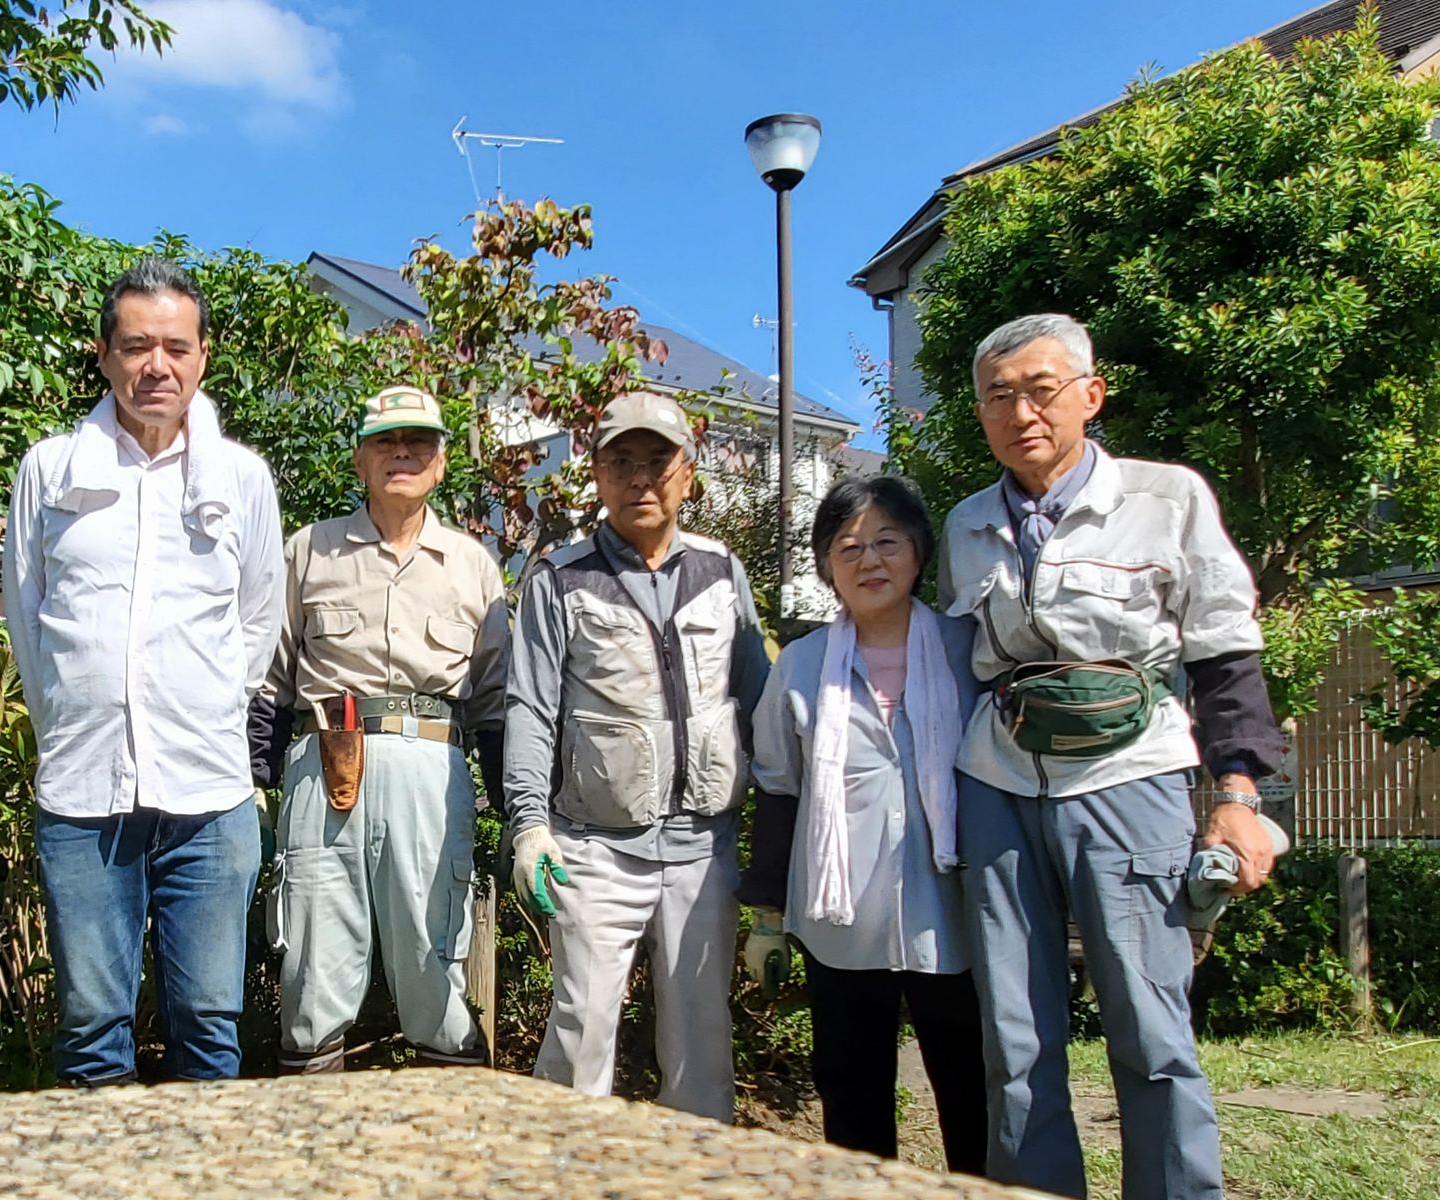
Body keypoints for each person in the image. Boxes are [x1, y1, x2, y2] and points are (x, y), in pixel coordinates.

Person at [942, 313, 1284, 1199]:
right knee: (1014, 1037)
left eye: (1042, 389)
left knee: (1150, 1026)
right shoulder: (967, 522)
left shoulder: (1166, 498)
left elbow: (1224, 650)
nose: (1022, 412)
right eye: (999, 396)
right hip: (1000, 781)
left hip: (1132, 777)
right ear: (980, 414)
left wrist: (1238, 792)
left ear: (1091, 395)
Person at [2, 256, 285, 1085]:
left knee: (209, 1026)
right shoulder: (50, 470)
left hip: (209, 793)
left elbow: (257, 621)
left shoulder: (242, 479)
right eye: (134, 346)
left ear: (203, 357)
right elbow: (28, 619)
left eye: (174, 347)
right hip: (84, 792)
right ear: (104, 356)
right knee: (91, 1029)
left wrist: (199, 711)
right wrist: (77, 715)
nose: (154, 365)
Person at [502, 389, 770, 1121]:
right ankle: (561, 1174)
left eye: (658, 462)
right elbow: (530, 708)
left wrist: (774, 852)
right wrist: (530, 828)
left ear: (688, 472)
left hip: (703, 847)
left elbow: (759, 701)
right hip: (595, 849)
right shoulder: (560, 576)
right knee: (581, 1031)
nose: (640, 479)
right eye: (621, 462)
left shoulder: (722, 574)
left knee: (702, 1049)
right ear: (596, 473)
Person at [251, 384, 508, 1073]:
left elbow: (494, 704)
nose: (402, 453)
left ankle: (448, 1156)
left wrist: (520, 812)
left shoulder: (474, 566)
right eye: (385, 443)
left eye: (418, 442)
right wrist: (254, 784)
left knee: (436, 968)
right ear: (359, 461)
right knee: (311, 966)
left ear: (442, 462)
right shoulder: (309, 551)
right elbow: (270, 681)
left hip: (431, 771)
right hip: (321, 764)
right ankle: (316, 1152)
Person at [738, 475, 987, 1170]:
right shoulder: (803, 666)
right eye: (847, 546)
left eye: (887, 541)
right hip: (840, 924)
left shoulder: (969, 651)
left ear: (919, 552)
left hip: (955, 919)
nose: (868, 560)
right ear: (825, 566)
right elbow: (778, 789)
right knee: (852, 1100)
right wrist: (764, 914)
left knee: (972, 1093)